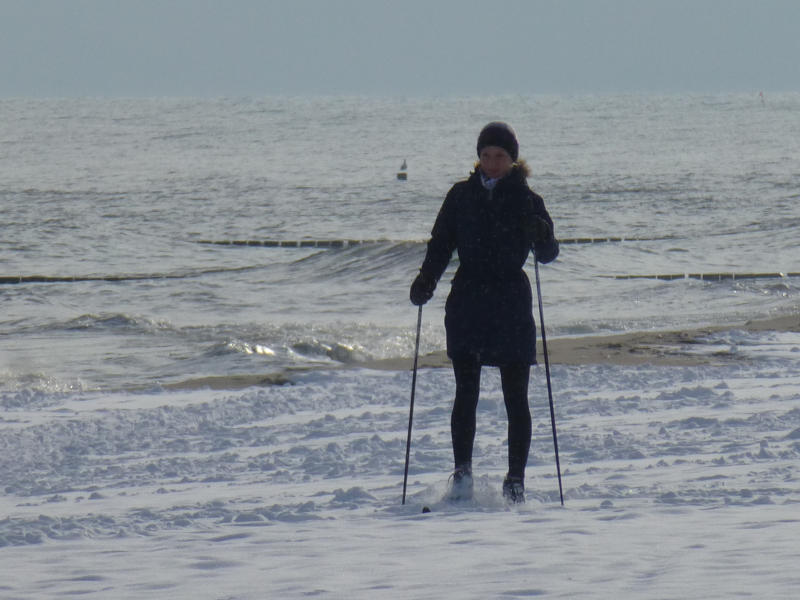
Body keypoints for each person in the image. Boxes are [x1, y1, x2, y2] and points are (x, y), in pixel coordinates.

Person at [409, 122, 559, 504]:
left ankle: (515, 482)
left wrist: (541, 232)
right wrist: (426, 280)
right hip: (469, 300)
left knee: (516, 397)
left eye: (501, 157)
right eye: (487, 155)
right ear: (478, 157)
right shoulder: (461, 196)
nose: (492, 163)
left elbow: (548, 254)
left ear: (513, 160)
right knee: (466, 392)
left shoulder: (527, 200)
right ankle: (462, 476)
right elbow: (441, 243)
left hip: (510, 301)